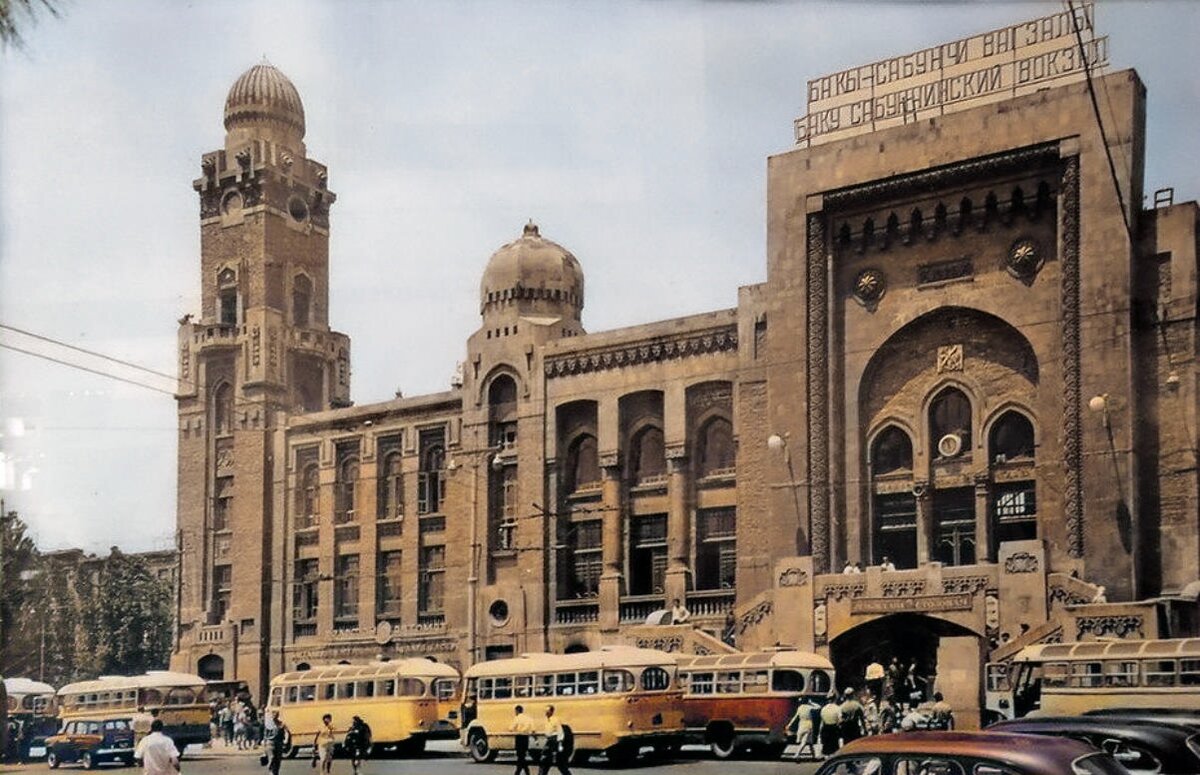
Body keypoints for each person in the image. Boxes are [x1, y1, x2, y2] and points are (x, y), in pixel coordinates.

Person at [538, 705, 571, 775]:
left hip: (554, 740)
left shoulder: (555, 720)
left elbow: (560, 731)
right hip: (549, 740)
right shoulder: (547, 720)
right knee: (545, 761)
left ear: (552, 712)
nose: (546, 713)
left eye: (548, 711)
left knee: (557, 762)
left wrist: (560, 744)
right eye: (545, 711)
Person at [509, 705, 535, 775]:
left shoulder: (517, 718)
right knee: (522, 755)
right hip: (526, 738)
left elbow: (511, 728)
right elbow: (533, 730)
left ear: (517, 711)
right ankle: (523, 772)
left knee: (520, 756)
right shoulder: (528, 718)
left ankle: (520, 772)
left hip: (519, 737)